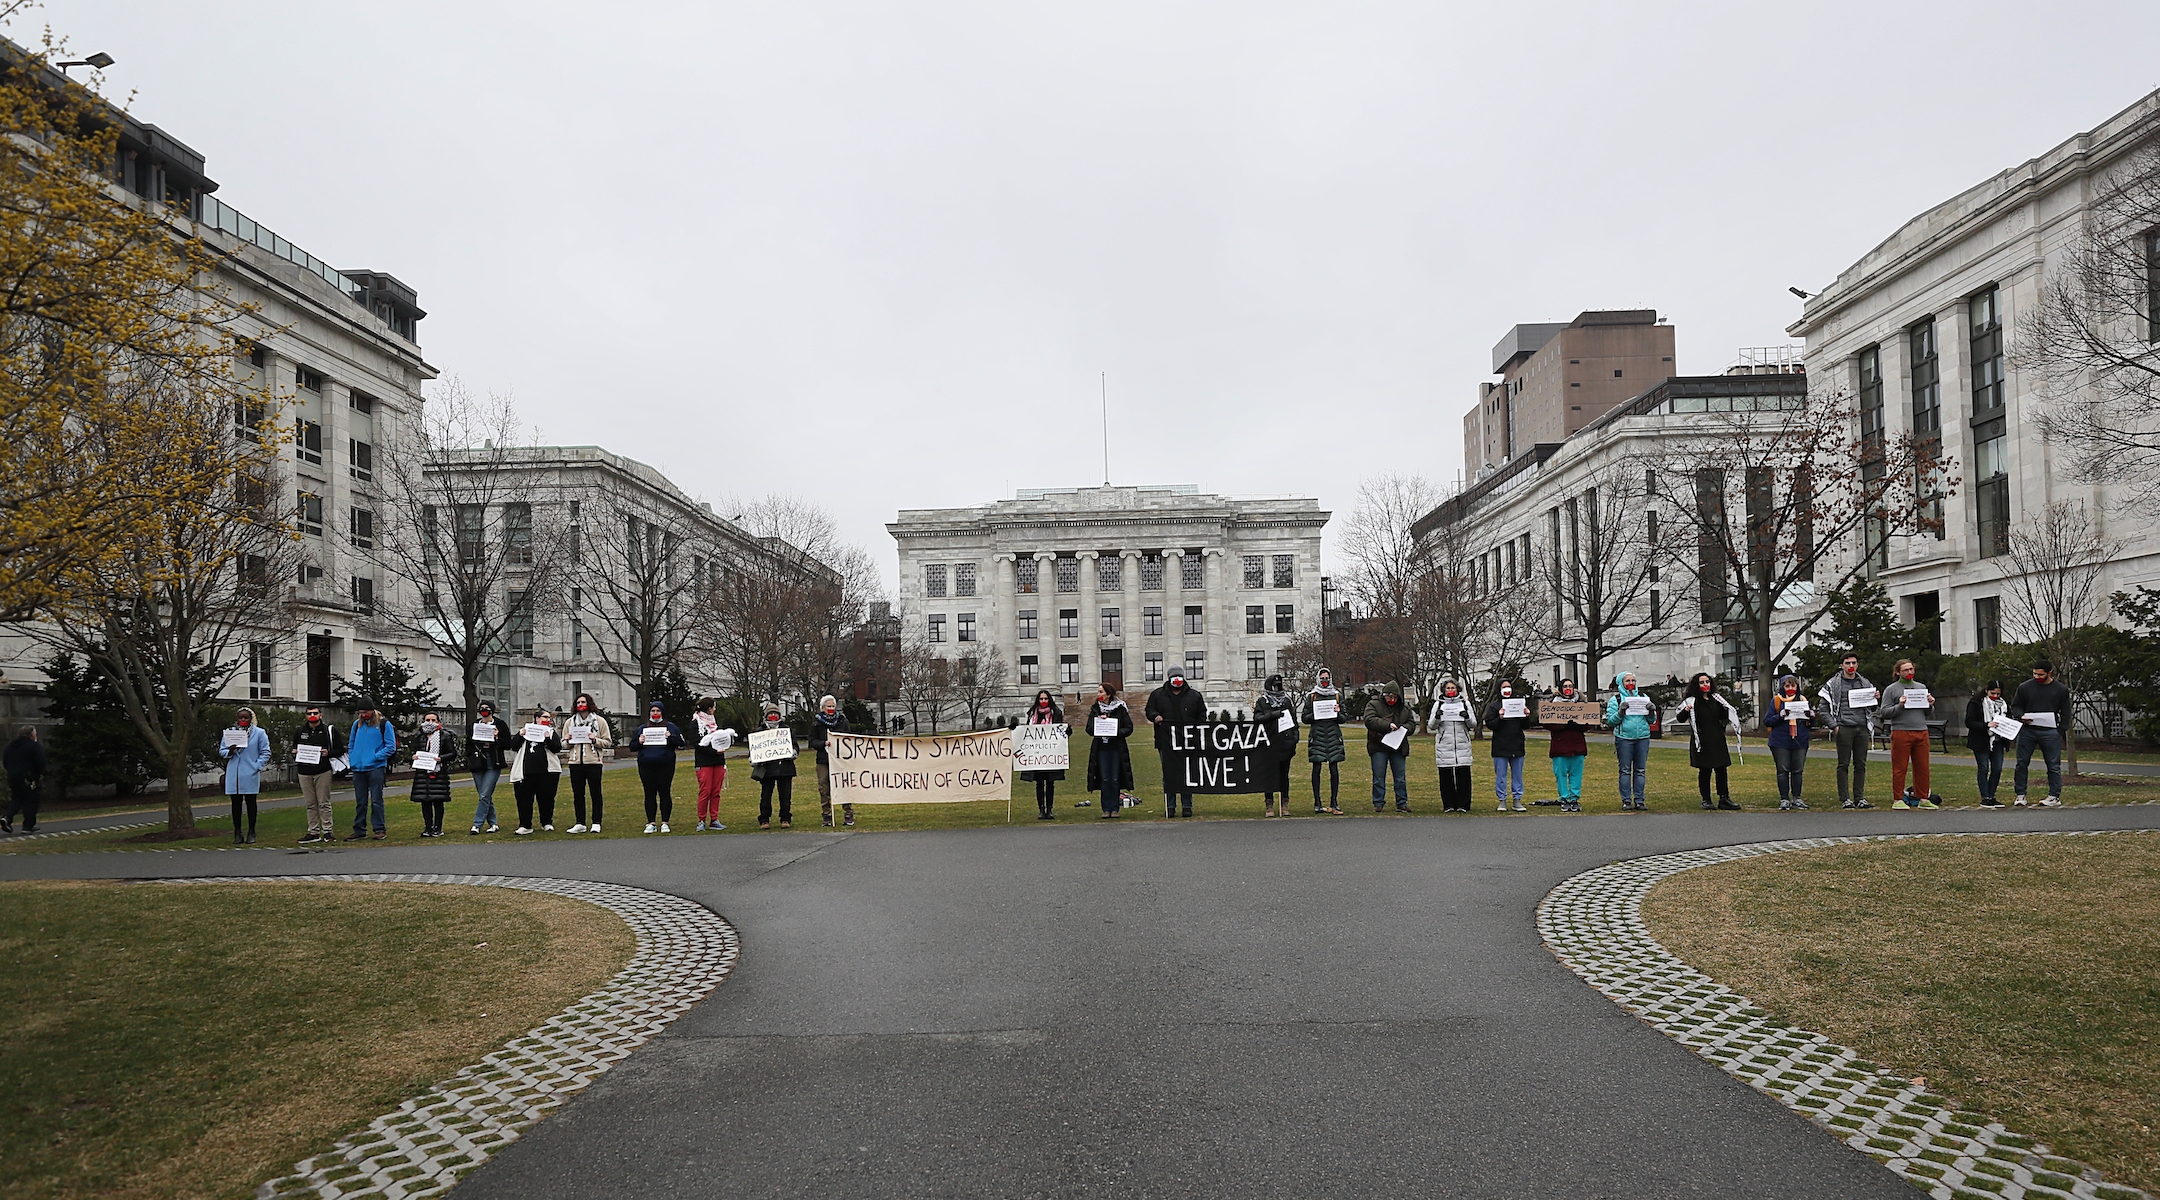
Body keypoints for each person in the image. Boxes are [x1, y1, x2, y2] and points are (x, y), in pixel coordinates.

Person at [2010, 659, 2072, 807]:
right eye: (2034, 674)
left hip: (2050, 731)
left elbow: (2066, 712)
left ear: (2049, 673)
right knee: (2022, 763)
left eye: (2040, 674)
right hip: (2028, 730)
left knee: (2053, 764)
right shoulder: (2025, 687)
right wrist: (2021, 716)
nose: (2037, 677)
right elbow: (2016, 706)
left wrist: (2060, 730)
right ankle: (2020, 795)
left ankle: (2054, 796)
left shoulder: (2060, 690)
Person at [1145, 670, 1207, 818]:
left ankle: (1187, 805)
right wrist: (1155, 717)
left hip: (1188, 742)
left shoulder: (1194, 696)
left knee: (1187, 773)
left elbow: (1202, 716)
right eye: (1174, 677)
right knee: (1169, 774)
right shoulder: (1158, 695)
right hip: (1165, 742)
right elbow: (1149, 710)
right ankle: (1170, 806)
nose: (1177, 680)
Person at [1678, 673, 1744, 810]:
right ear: (1696, 685)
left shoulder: (1716, 699)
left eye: (1707, 682)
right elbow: (1680, 718)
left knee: (1721, 769)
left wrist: (1730, 711)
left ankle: (1724, 798)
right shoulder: (1692, 701)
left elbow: (1723, 716)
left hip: (1717, 738)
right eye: (1702, 683)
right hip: (1701, 739)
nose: (1705, 685)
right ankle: (1706, 799)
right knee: (1705, 770)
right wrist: (1686, 710)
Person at [1819, 654, 1876, 809]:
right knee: (1843, 764)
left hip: (1861, 727)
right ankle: (1845, 798)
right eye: (1847, 663)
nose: (1851, 665)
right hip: (1844, 727)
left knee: (1860, 764)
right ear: (1842, 665)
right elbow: (1823, 709)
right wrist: (1835, 726)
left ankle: (1860, 797)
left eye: (1854, 663)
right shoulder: (1833, 684)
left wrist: (1875, 698)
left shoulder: (1864, 683)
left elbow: (1872, 708)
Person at [1879, 659, 1935, 809]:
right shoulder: (1892, 689)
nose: (1909, 672)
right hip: (1901, 731)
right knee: (1900, 767)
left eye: (1911, 669)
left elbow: (1927, 712)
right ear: (1898, 672)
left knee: (1923, 767)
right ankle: (1898, 799)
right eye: (1905, 670)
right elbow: (1884, 712)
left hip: (1921, 730)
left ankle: (1923, 798)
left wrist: (1930, 704)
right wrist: (1900, 706)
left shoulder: (1921, 687)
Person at [631, 701, 687, 833]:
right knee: (649, 794)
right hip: (646, 765)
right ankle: (651, 822)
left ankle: (665, 822)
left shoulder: (670, 727)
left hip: (665, 765)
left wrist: (670, 737)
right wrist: (639, 741)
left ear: (662, 712)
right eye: (652, 711)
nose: (655, 713)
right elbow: (632, 746)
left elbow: (681, 743)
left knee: (664, 792)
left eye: (657, 711)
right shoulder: (643, 728)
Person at [344, 701, 397, 840]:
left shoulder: (384, 724)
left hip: (375, 767)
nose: (363, 715)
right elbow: (351, 743)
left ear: (372, 711)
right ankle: (359, 829)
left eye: (365, 712)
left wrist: (375, 757)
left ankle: (379, 828)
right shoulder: (357, 724)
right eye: (360, 712)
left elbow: (390, 746)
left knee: (376, 799)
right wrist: (353, 757)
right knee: (360, 801)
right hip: (358, 768)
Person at [1604, 673, 1657, 811]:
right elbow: (1610, 721)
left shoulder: (1643, 698)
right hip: (1624, 738)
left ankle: (1639, 800)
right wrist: (1621, 712)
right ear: (1621, 683)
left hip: (1642, 738)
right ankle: (1626, 800)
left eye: (1633, 680)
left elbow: (1651, 721)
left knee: (1640, 770)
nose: (1631, 683)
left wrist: (1651, 712)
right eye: (1628, 680)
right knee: (1625, 770)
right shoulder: (1615, 700)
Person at [219, 706, 272, 844]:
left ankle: (252, 831)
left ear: (250, 719)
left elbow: (265, 752)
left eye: (245, 717)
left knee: (250, 803)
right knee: (235, 804)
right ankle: (237, 832)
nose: (243, 720)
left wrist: (256, 766)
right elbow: (222, 751)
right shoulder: (230, 732)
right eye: (240, 717)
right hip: (234, 773)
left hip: (250, 772)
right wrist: (230, 751)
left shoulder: (259, 733)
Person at [562, 692, 612, 834]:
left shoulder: (600, 721)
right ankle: (580, 822)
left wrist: (595, 740)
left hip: (593, 762)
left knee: (595, 793)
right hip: (575, 763)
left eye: (583, 702)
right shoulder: (570, 722)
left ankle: (596, 822)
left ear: (589, 704)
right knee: (578, 794)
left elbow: (607, 742)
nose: (580, 705)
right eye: (578, 703)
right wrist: (567, 739)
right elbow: (564, 745)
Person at [293, 705, 345, 844]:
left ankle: (328, 831)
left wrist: (328, 753)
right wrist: (295, 753)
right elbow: (295, 749)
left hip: (323, 771)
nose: (312, 715)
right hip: (304, 772)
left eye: (315, 713)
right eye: (309, 713)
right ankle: (313, 831)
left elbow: (340, 749)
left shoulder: (329, 730)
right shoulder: (300, 731)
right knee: (310, 803)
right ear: (306, 716)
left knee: (323, 802)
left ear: (321, 715)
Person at [509, 707, 564, 834]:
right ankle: (525, 825)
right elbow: (513, 746)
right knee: (524, 799)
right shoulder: (526, 730)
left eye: (549, 718)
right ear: (537, 718)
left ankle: (547, 823)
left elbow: (557, 748)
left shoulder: (550, 732)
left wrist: (547, 739)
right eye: (545, 717)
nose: (548, 720)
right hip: (526, 772)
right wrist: (520, 735)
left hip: (547, 772)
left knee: (547, 799)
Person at [1252, 675, 1299, 817]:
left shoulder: (1286, 701)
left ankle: (1284, 803)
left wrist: (1294, 739)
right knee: (1269, 775)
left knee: (1284, 775)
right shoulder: (1262, 702)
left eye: (1278, 686)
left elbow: (1294, 722)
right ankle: (1269, 803)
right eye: (1274, 686)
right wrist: (1273, 715)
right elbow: (1257, 719)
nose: (1276, 689)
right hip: (1268, 743)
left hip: (1285, 743)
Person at [408, 711, 460, 838]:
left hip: (439, 772)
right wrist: (414, 757)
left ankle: (438, 828)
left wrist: (440, 758)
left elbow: (452, 753)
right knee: (424, 801)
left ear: (438, 722)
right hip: (422, 773)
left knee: (438, 800)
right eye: (427, 720)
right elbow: (413, 751)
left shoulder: (445, 735)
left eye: (433, 720)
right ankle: (427, 827)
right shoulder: (419, 736)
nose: (430, 723)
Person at [1363, 683, 1414, 813]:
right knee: (1379, 777)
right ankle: (1378, 802)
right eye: (1388, 697)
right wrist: (1387, 725)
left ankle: (1402, 802)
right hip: (1379, 746)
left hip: (1398, 746)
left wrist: (1405, 728)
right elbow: (1369, 719)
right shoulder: (1373, 705)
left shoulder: (1404, 708)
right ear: (1383, 696)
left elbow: (1411, 723)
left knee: (1400, 777)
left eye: (1394, 697)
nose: (1391, 700)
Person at [1303, 668, 1347, 814]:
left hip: (1333, 736)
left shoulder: (1337, 695)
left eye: (1327, 678)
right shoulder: (1311, 696)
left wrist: (1338, 711)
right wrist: (1315, 714)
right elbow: (1304, 718)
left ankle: (1334, 801)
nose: (1325, 680)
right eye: (1322, 678)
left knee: (1334, 770)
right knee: (1317, 770)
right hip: (1318, 736)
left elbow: (1343, 718)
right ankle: (1317, 802)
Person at [1483, 680, 1531, 812]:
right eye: (1504, 687)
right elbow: (1490, 724)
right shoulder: (1494, 706)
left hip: (1517, 745)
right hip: (1500, 746)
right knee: (1501, 775)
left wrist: (1526, 716)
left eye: (1509, 687)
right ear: (1499, 689)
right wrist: (1500, 717)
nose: (1507, 689)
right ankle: (1502, 800)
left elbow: (1525, 725)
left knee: (1517, 775)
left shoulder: (1518, 703)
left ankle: (1517, 800)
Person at [1541, 679, 1589, 813]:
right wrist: (1562, 726)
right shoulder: (1553, 704)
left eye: (1570, 686)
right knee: (1560, 774)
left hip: (1577, 746)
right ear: (1561, 688)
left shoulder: (1581, 704)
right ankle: (1564, 798)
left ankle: (1574, 798)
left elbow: (1588, 723)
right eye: (1565, 686)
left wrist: (1577, 726)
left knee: (1576, 774)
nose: (1568, 688)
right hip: (1560, 746)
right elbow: (1547, 723)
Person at [1428, 680, 1475, 813]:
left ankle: (1463, 805)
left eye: (1452, 688)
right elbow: (1432, 725)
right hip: (1445, 745)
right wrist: (1437, 717)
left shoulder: (1465, 704)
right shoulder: (1438, 704)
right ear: (1443, 690)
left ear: (1457, 689)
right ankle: (1448, 804)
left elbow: (1473, 724)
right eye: (1448, 688)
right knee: (1446, 777)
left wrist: (1466, 717)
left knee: (1463, 776)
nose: (1450, 690)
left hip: (1462, 744)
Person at [1020, 689, 1067, 820]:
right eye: (1041, 699)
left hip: (1051, 753)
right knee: (1039, 783)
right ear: (1038, 700)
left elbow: (1061, 732)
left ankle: (1050, 809)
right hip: (1037, 754)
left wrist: (1067, 730)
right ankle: (1041, 809)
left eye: (1046, 699)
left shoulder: (1056, 713)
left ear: (1049, 700)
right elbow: (1026, 732)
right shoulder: (1032, 714)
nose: (1043, 701)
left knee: (1050, 782)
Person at [1766, 675, 1812, 810]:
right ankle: (1784, 799)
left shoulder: (1802, 700)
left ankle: (1797, 798)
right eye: (1787, 686)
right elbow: (1767, 721)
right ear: (1782, 687)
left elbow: (1809, 724)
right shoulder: (1776, 701)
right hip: (1780, 741)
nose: (1791, 688)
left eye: (1793, 685)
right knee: (1783, 770)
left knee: (1798, 770)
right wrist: (1780, 715)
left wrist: (1811, 716)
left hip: (1800, 740)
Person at [808, 696, 854, 828]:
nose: (831, 709)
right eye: (828, 706)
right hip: (823, 760)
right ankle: (827, 815)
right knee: (824, 787)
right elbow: (812, 741)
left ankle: (848, 814)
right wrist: (823, 744)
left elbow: (848, 739)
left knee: (843, 785)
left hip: (840, 759)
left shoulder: (842, 721)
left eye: (833, 706)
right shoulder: (817, 723)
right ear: (822, 708)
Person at [467, 702, 512, 834]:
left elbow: (507, 744)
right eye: (481, 709)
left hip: (493, 762)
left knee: (485, 794)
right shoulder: (474, 725)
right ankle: (493, 823)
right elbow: (469, 744)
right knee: (484, 795)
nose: (484, 711)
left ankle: (477, 824)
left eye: (487, 709)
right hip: (478, 763)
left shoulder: (500, 724)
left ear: (492, 711)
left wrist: (497, 737)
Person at [1965, 680, 2009, 809]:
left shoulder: (2004, 704)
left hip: (1998, 740)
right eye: (1992, 693)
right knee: (1983, 768)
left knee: (1997, 768)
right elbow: (1969, 722)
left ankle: (1992, 795)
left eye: (1998, 694)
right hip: (1981, 740)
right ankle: (1985, 797)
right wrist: (1986, 725)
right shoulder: (1976, 703)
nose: (1995, 696)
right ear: (1986, 691)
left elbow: (2009, 717)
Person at [752, 707, 797, 829]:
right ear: (766, 716)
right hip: (767, 769)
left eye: (775, 713)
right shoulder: (760, 731)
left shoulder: (786, 730)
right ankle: (764, 819)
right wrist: (754, 759)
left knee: (785, 795)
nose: (773, 716)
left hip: (785, 768)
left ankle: (785, 818)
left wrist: (792, 752)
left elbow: (795, 746)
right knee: (766, 795)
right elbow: (755, 749)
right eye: (770, 713)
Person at [692, 698, 733, 831]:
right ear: (709, 708)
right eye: (714, 707)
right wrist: (714, 751)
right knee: (705, 791)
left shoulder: (715, 723)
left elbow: (720, 739)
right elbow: (697, 744)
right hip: (704, 762)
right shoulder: (695, 723)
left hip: (718, 762)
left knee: (716, 792)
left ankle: (714, 819)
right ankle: (701, 820)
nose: (715, 709)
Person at [2, 725, 46, 834]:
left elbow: (5, 762)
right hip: (28, 776)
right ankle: (28, 825)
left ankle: (7, 817)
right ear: (32, 735)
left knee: (17, 798)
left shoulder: (10, 746)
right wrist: (38, 773)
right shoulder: (34, 746)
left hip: (13, 776)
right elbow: (41, 762)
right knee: (31, 799)